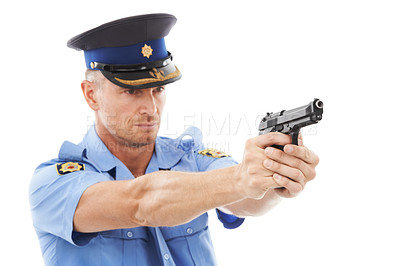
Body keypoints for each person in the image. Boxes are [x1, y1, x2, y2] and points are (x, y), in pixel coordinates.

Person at [29, 13, 320, 266]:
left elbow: (244, 202)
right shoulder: (55, 183)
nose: (151, 108)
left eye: (158, 90)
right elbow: (141, 202)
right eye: (132, 92)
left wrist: (276, 178)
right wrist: (242, 177)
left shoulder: (191, 158)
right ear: (91, 94)